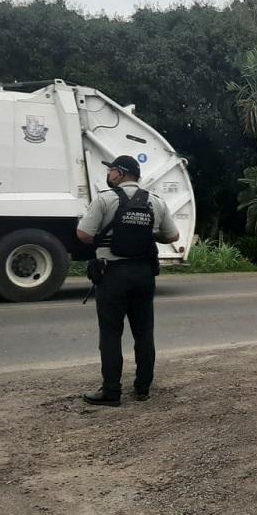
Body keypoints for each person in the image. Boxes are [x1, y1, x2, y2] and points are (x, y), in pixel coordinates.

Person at [76, 155, 180, 406]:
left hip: (112, 275)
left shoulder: (104, 199)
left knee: (111, 334)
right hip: (144, 275)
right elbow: (173, 235)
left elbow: (83, 234)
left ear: (121, 173)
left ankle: (111, 391)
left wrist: (105, 238)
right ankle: (143, 388)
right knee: (144, 333)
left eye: (111, 170)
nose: (109, 174)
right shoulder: (155, 202)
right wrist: (144, 235)